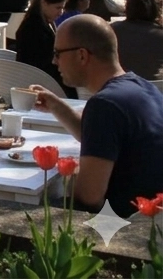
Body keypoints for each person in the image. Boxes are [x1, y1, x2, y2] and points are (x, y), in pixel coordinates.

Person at [30, 15, 163, 216]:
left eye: (58, 53)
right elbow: (103, 142)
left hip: (121, 229)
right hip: (152, 223)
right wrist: (57, 106)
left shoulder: (105, 105)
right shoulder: (142, 88)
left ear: (82, 55)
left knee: (35, 207)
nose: (54, 61)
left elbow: (89, 198)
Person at [16, 0, 75, 96]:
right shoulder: (33, 28)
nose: (61, 12)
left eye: (63, 8)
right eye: (58, 7)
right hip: (42, 79)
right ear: (43, 2)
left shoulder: (46, 22)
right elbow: (42, 59)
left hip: (42, 75)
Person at [112, 0, 163, 80]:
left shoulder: (109, 31)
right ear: (157, 10)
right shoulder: (159, 34)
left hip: (117, 89)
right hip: (155, 91)